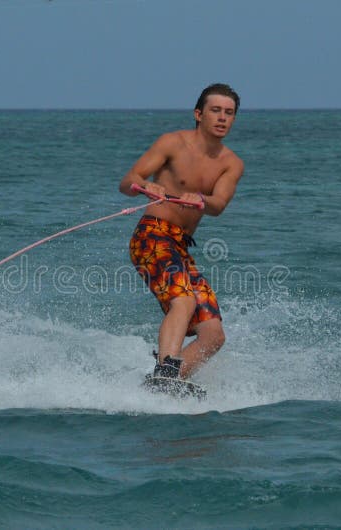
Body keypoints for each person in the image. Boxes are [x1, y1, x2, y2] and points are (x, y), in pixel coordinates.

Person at [119, 83, 244, 380]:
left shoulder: (232, 164)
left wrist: (202, 200)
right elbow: (127, 182)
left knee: (213, 335)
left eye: (229, 113)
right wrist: (145, 185)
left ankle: (163, 383)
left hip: (180, 246)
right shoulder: (172, 143)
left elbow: (219, 204)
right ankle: (166, 371)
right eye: (215, 111)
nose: (222, 118)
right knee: (184, 300)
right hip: (151, 236)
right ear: (198, 114)